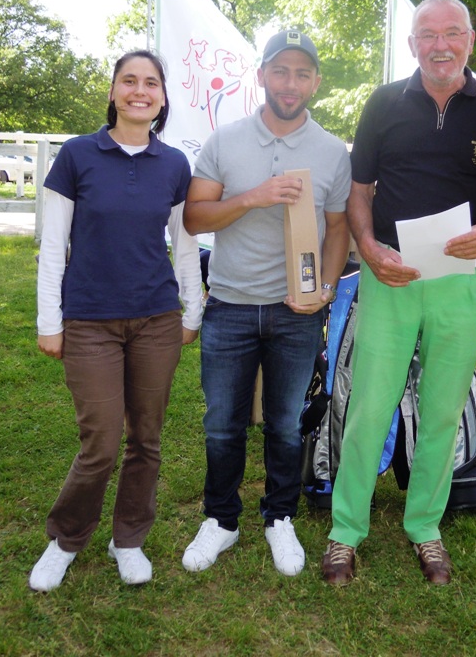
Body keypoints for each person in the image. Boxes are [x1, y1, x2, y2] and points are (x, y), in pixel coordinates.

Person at [321, 0, 476, 586]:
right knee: (369, 405)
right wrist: (368, 249)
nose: (441, 45)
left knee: (442, 409)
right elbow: (360, 191)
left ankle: (425, 527)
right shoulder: (384, 102)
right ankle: (345, 532)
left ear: (470, 39)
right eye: (428, 35)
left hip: (462, 281)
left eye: (452, 33)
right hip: (391, 275)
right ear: (412, 44)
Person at [28, 50, 203, 592]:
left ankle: (128, 539)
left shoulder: (174, 165)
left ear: (163, 98)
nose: (139, 91)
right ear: (112, 92)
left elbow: (185, 244)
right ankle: (66, 539)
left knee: (146, 439)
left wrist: (193, 309)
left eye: (151, 83)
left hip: (156, 321)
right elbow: (53, 245)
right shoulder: (77, 155)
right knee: (100, 443)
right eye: (129, 81)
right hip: (90, 322)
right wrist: (49, 320)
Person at [181, 30, 351, 577]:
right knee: (222, 424)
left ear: (316, 82)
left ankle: (280, 517)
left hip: (295, 312)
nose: (290, 83)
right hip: (229, 304)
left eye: (302, 73)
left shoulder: (332, 151)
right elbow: (194, 217)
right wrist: (253, 197)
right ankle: (221, 519)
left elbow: (338, 227)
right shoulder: (225, 140)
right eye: (280, 71)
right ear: (261, 77)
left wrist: (325, 290)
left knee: (284, 424)